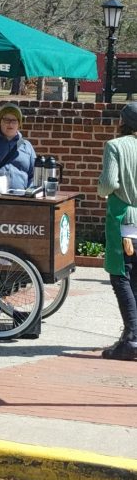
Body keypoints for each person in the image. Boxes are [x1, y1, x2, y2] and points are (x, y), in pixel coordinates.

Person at [98, 102, 137, 360]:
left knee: (120, 275)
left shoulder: (116, 146)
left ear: (122, 122)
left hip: (125, 218)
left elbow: (109, 183)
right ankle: (130, 334)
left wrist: (102, 190)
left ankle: (132, 338)